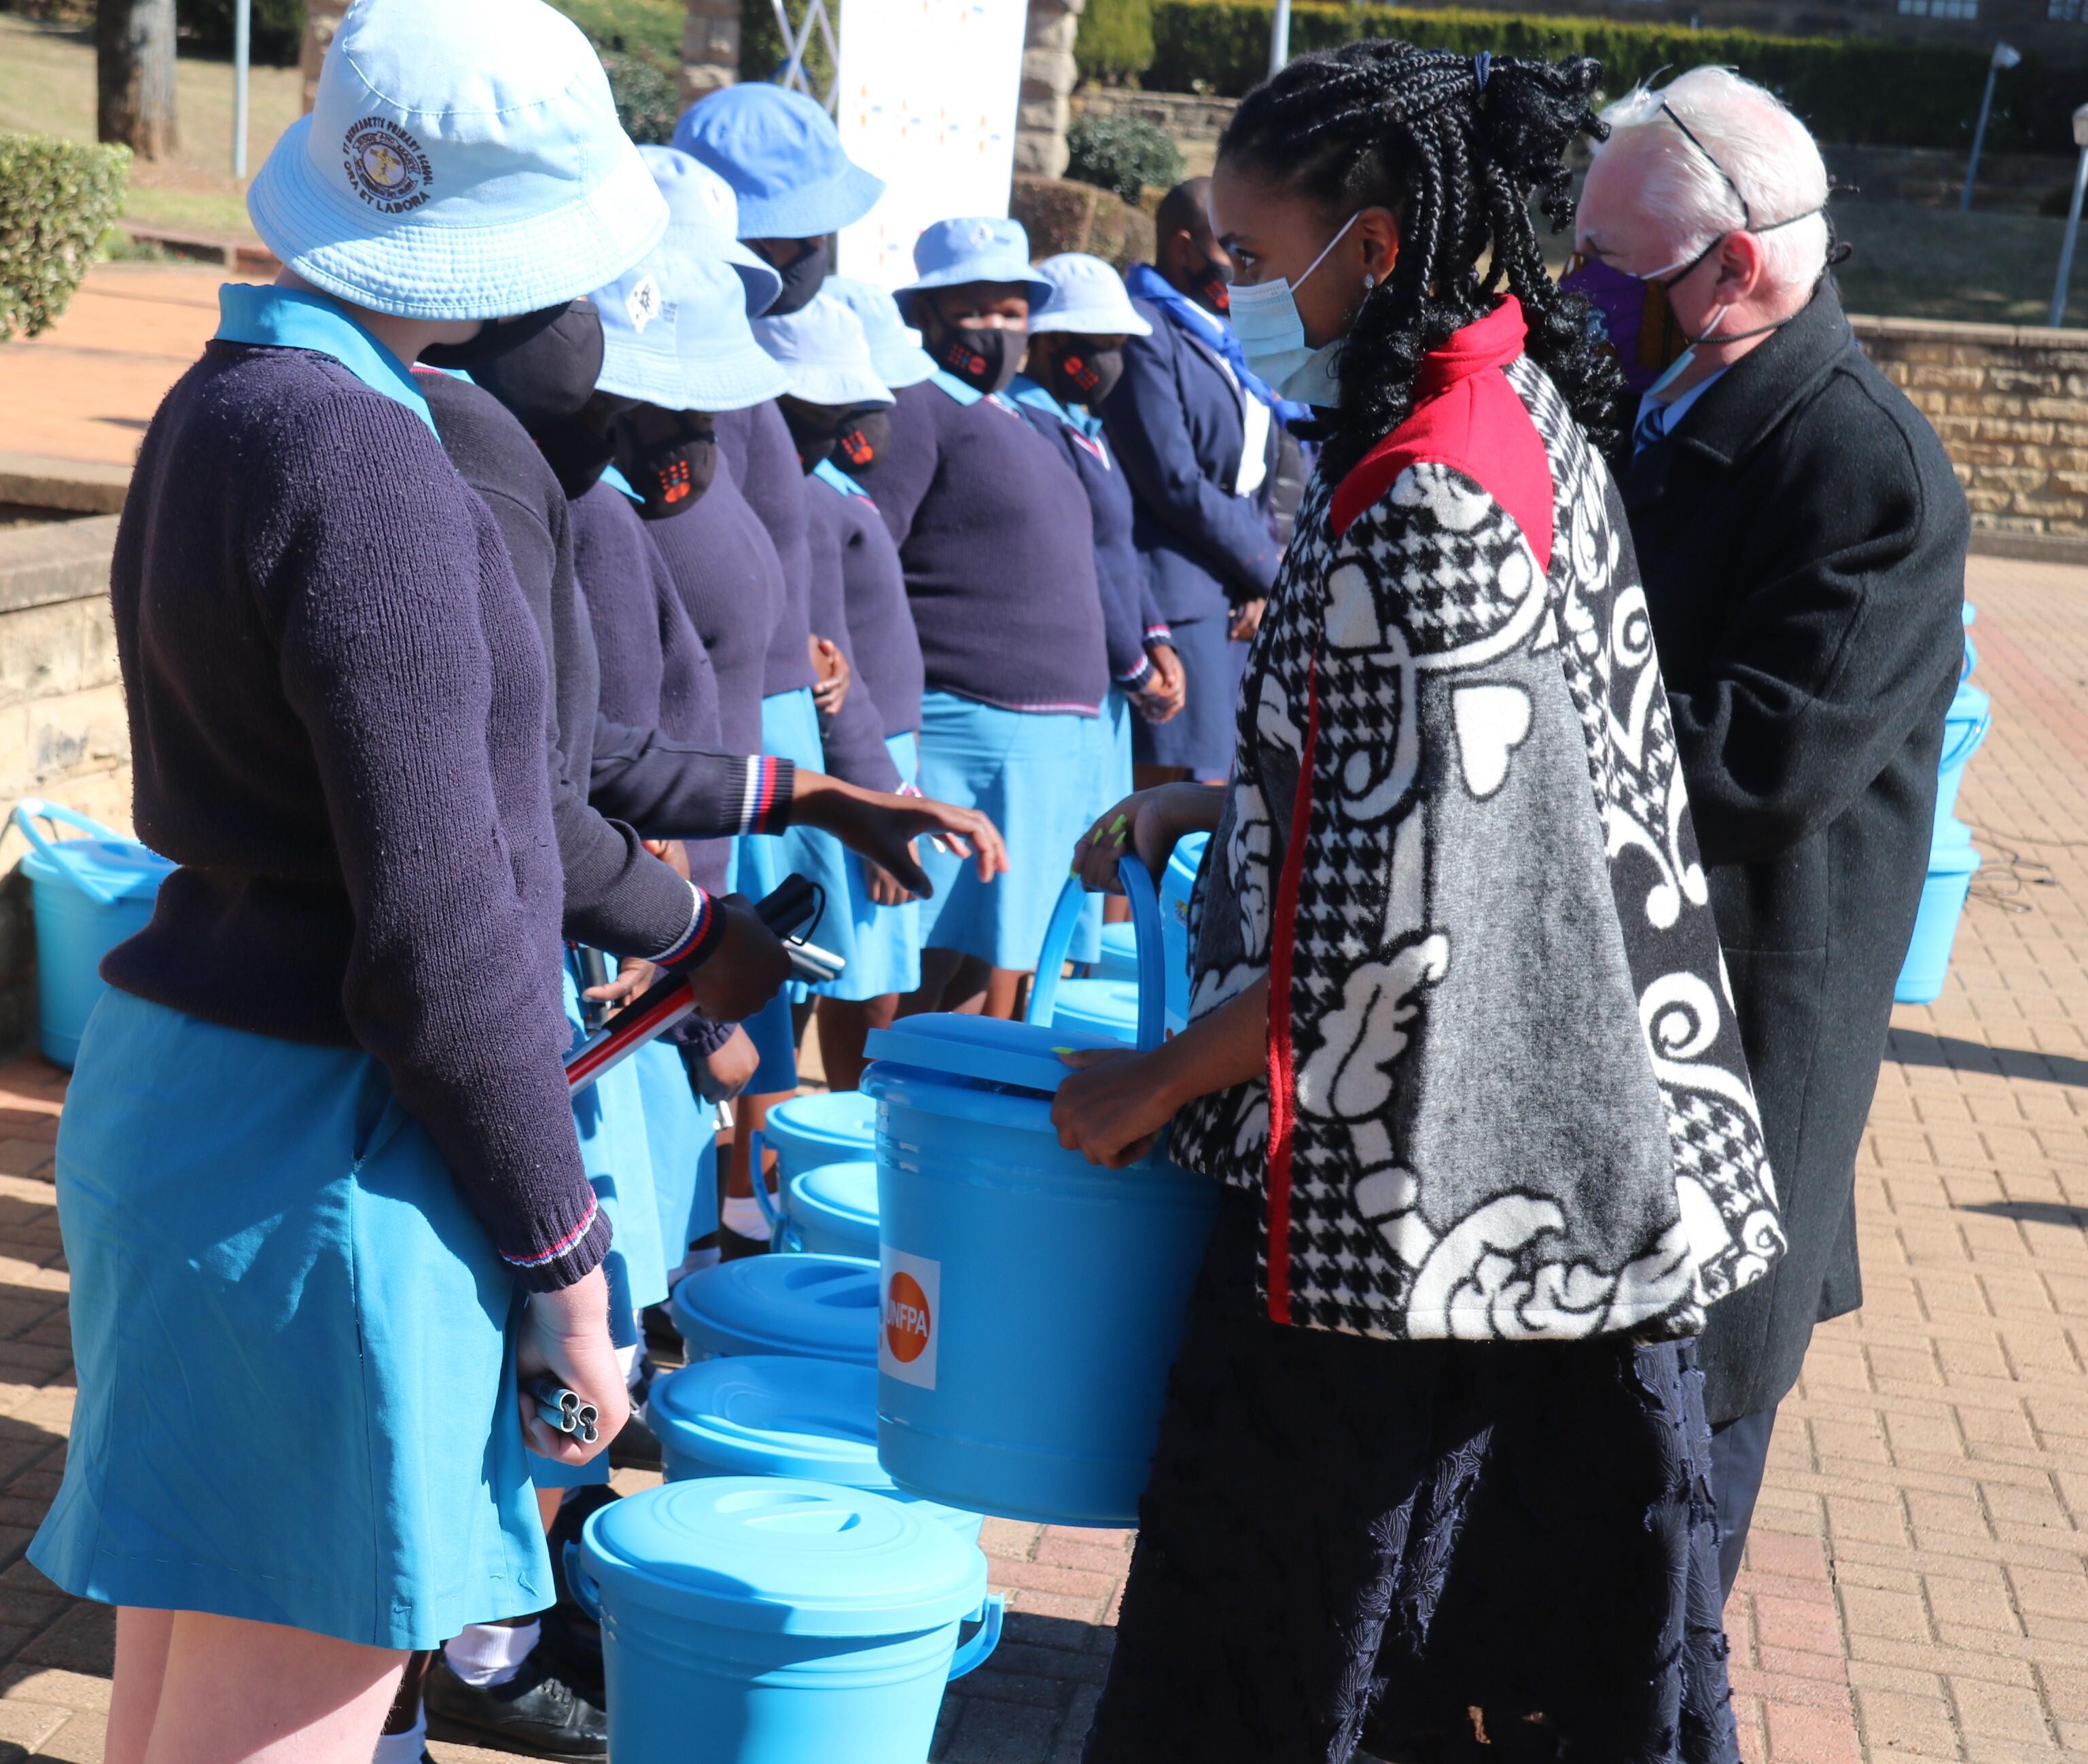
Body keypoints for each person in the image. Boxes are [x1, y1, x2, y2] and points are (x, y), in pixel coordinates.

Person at [1050, 43, 1788, 1762]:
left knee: (1317, 1656)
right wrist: (1214, 797)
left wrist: (1150, 1081)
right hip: (1522, 1169)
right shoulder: (1500, 398)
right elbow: (1446, 798)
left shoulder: (1430, 492)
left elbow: (1392, 942)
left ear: (1373, 248)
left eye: (1246, 252)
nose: (1223, 287)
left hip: (1409, 1223)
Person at [24, 5, 688, 1760]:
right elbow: (446, 933)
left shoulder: (231, 395)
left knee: (186, 1688)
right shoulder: (373, 462)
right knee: (283, 1715)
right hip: (327, 1146)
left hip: (190, 1094)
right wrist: (562, 1254)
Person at [1573, 66, 1970, 1598]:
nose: (1588, 294)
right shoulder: (1681, 398)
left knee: (1666, 1498)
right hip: (1649, 1018)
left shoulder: (1858, 458)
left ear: (1734, 269)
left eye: (1616, 269)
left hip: (1738, 1044)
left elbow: (1757, 762)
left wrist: (1500, 725)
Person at [877, 218, 1114, 1019]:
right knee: (917, 967)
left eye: (1014, 313)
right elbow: (871, 555)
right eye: (978, 311)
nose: (1001, 331)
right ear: (928, 316)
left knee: (992, 967)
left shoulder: (1013, 415)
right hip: (959, 730)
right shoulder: (916, 406)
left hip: (1046, 739)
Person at [756, 293, 930, 1091]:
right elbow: (833, 656)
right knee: (799, 979)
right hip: (856, 762)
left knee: (847, 974)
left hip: (875, 752)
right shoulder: (813, 499)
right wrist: (878, 796)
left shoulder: (830, 488)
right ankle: (756, 1182)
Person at [1012, 253, 1186, 932]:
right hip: (1093, 677)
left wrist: (1157, 639)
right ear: (1052, 344)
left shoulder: (1088, 429)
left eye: (1120, 346)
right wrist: (1136, 666)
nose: (1113, 361)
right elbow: (1079, 559)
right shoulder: (1033, 426)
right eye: (1098, 346)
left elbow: (1122, 550)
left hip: (1110, 691)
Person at [1108, 179, 1286, 787]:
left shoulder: (1225, 336)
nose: (1243, 269)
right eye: (1230, 250)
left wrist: (1257, 581)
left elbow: (1257, 472)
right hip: (1177, 603)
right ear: (1184, 249)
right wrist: (1268, 569)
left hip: (1235, 601)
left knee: (1217, 816)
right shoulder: (1142, 330)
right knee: (1157, 821)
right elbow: (1175, 481)